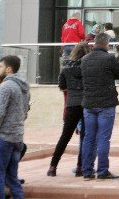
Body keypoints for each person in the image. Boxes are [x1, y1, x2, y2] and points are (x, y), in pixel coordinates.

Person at [80, 33, 119, 180]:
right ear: (107, 44)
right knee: (103, 139)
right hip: (106, 104)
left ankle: (87, 171)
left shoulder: (85, 59)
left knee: (88, 138)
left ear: (94, 44)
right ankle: (102, 171)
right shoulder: (109, 58)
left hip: (89, 104)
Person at [0, 55, 30, 199]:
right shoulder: (24, 87)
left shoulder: (5, 86)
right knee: (12, 176)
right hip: (17, 137)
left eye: (0, 66)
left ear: (8, 69)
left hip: (3, 137)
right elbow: (25, 112)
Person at [48, 43, 87, 177]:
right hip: (86, 103)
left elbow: (61, 86)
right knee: (84, 137)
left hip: (71, 104)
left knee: (65, 136)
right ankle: (80, 167)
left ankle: (53, 166)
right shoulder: (87, 67)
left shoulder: (66, 67)